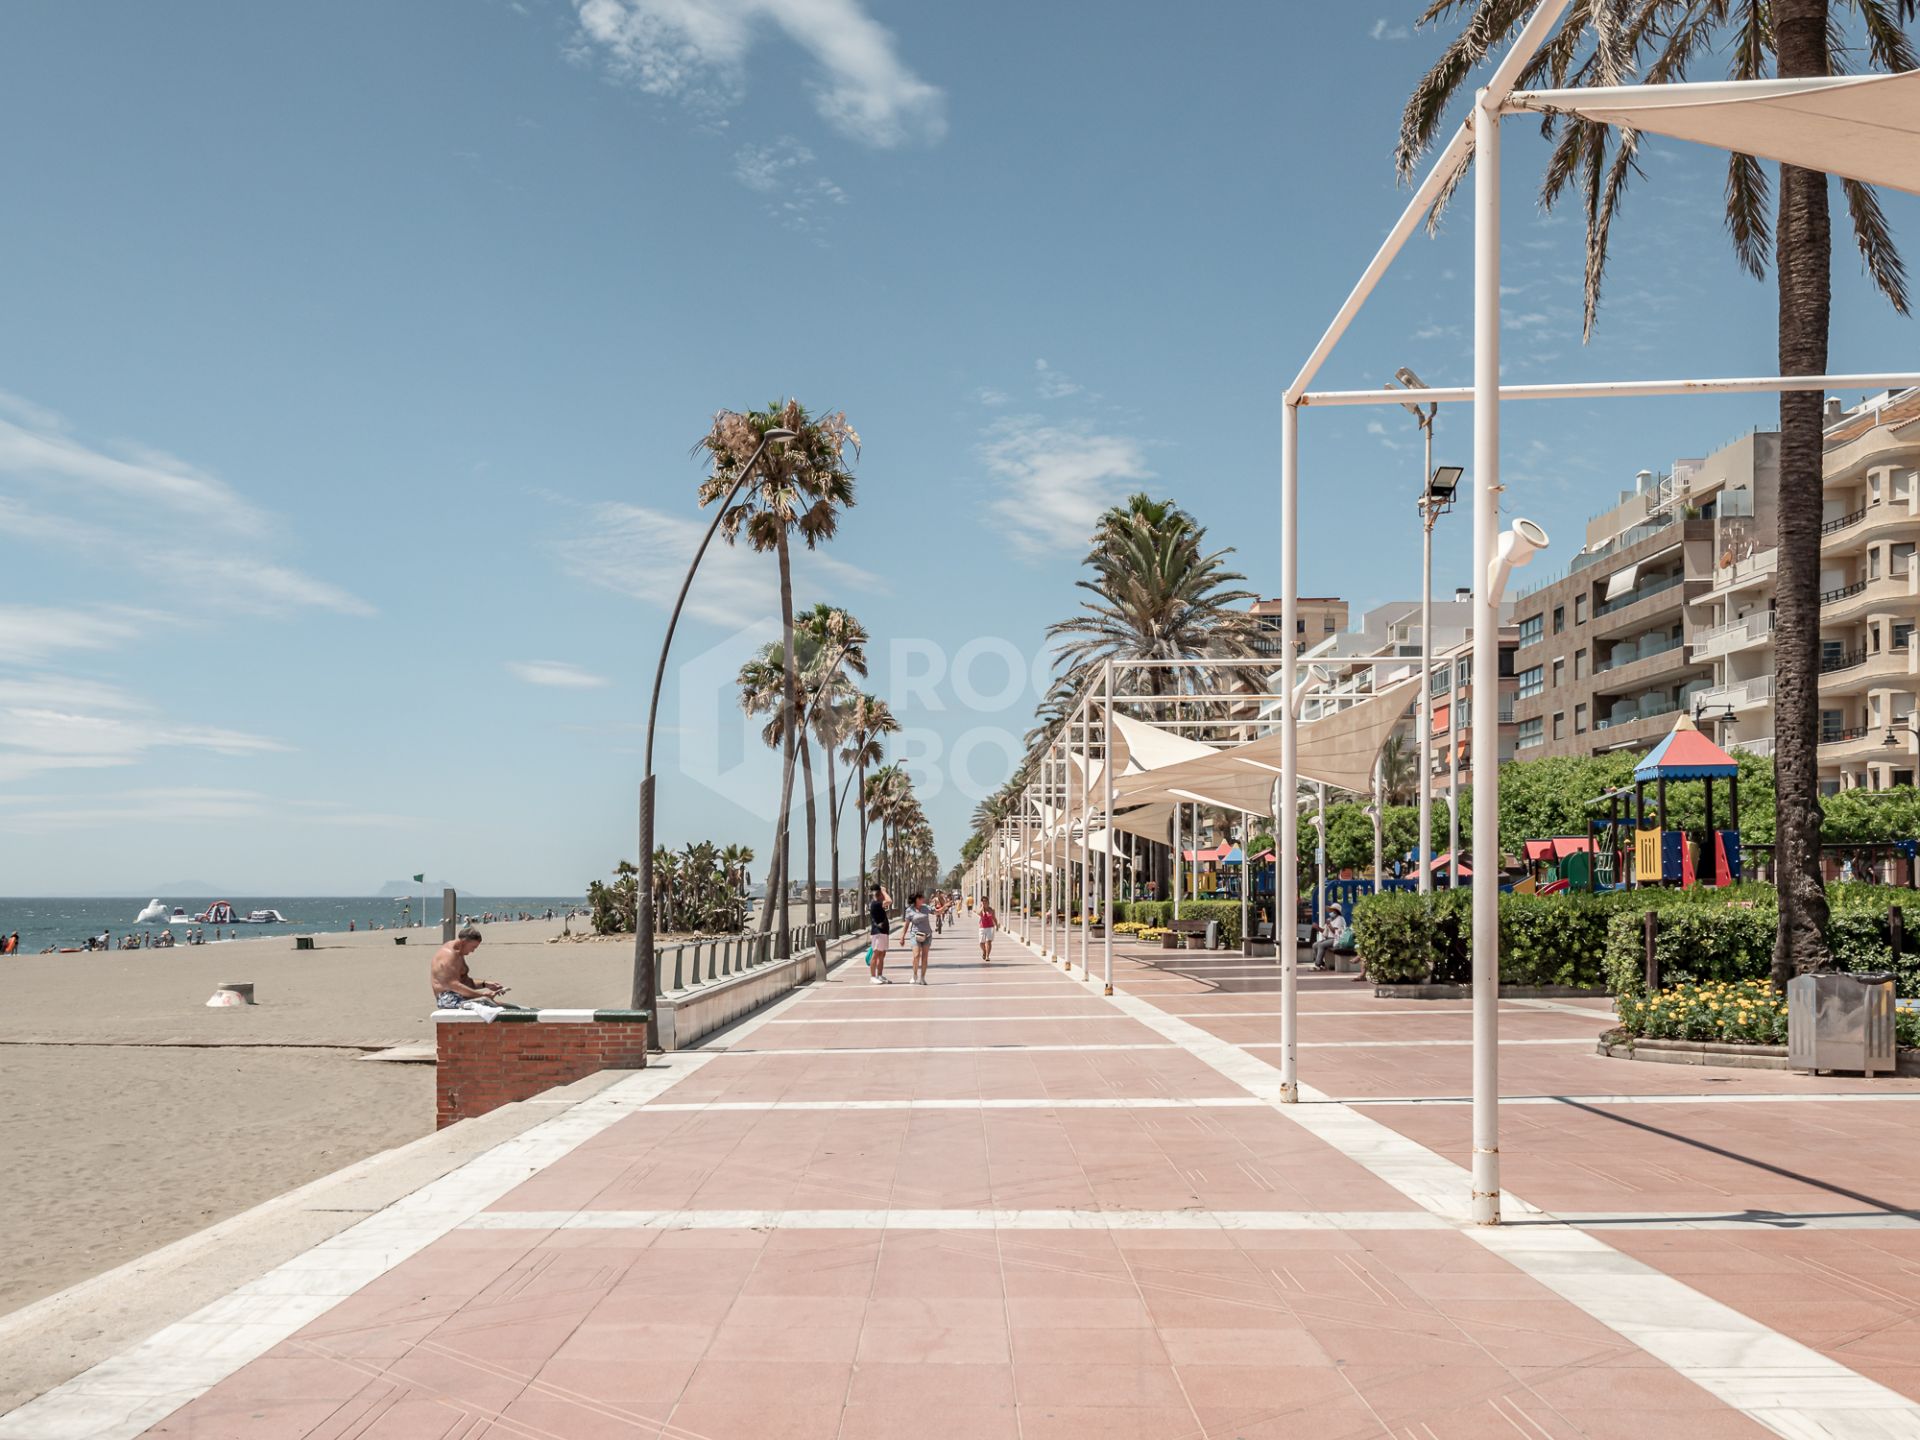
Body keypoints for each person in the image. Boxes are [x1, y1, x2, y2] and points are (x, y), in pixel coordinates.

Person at [431, 927, 506, 1010]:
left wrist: (485, 984)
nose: (473, 951)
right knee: (494, 1008)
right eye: (473, 947)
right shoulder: (448, 956)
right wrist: (482, 995)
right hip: (448, 999)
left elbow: (464, 981)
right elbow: (454, 985)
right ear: (464, 942)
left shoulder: (459, 952)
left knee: (504, 1006)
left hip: (460, 995)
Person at [900, 891, 934, 986]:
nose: (923, 899)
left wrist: (945, 906)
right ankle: (914, 975)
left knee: (924, 957)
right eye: (921, 898)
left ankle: (922, 978)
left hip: (927, 935)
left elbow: (936, 912)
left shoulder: (926, 908)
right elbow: (906, 925)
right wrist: (902, 937)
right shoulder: (909, 910)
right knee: (916, 955)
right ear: (916, 900)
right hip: (915, 935)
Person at [868, 883, 893, 985]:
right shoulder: (875, 903)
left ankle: (880, 975)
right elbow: (890, 901)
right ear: (879, 894)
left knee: (882, 954)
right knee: (876, 954)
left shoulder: (878, 903)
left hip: (883, 932)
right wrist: (884, 891)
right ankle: (873, 976)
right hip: (877, 932)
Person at [1311, 904, 1343, 971]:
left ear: (1336, 911)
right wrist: (1317, 927)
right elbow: (1325, 932)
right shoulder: (1330, 919)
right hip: (1328, 939)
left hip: (1335, 939)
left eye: (1332, 910)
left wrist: (1329, 924)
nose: (1330, 912)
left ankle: (1317, 965)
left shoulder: (1339, 919)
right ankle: (1321, 963)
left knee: (1321, 945)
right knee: (1315, 945)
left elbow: (1335, 932)